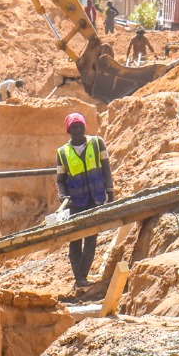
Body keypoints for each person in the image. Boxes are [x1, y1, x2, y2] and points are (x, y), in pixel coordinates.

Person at [55, 112, 114, 291]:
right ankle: (78, 276)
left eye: (80, 126)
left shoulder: (97, 143)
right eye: (74, 128)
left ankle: (81, 277)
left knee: (91, 238)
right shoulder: (62, 153)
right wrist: (63, 195)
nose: (78, 130)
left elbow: (106, 168)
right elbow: (60, 179)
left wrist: (109, 192)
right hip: (76, 201)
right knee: (75, 240)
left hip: (95, 198)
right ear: (69, 131)